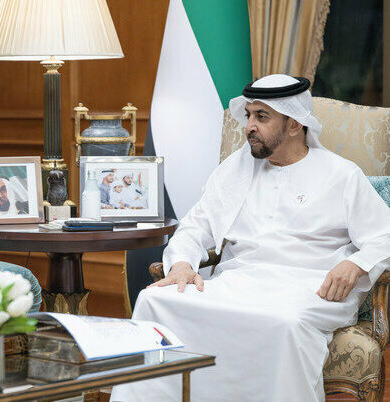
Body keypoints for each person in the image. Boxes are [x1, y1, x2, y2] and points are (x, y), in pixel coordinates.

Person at [111, 74, 390, 401]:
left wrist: (354, 264)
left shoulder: (341, 174)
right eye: (248, 116)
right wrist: (182, 265)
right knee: (154, 300)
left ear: (294, 125)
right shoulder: (237, 168)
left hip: (310, 287)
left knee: (284, 324)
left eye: (262, 117)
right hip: (239, 281)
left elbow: (384, 234)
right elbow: (195, 225)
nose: (249, 127)